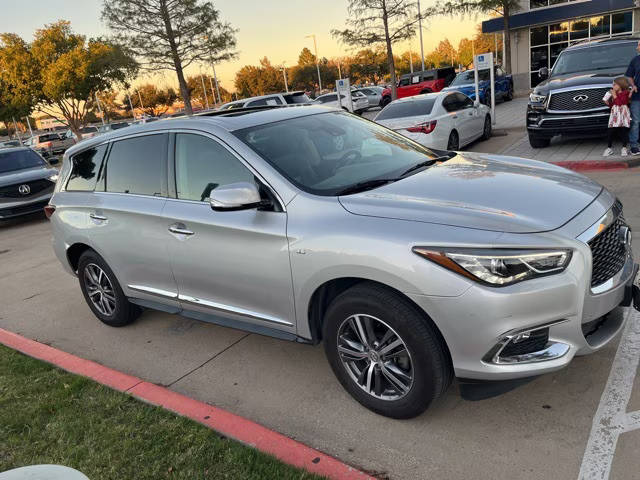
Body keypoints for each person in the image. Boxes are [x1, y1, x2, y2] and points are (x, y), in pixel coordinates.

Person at [603, 76, 631, 157]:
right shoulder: (613, 94)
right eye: (613, 85)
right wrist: (608, 103)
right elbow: (614, 104)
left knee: (623, 131)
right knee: (611, 131)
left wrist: (614, 95)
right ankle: (609, 148)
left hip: (623, 114)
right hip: (615, 115)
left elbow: (621, 103)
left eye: (615, 85)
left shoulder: (626, 93)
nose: (613, 86)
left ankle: (624, 148)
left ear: (621, 85)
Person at [625, 40, 640, 155]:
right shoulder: (635, 60)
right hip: (637, 95)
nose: (637, 47)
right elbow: (629, 76)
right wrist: (633, 85)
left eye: (639, 45)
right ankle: (634, 146)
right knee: (636, 121)